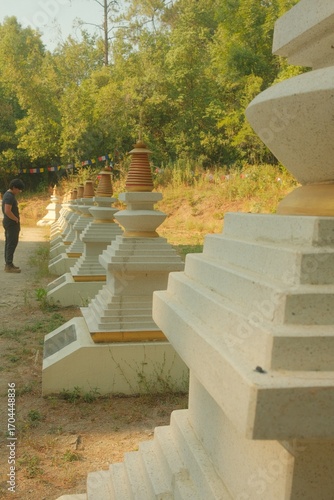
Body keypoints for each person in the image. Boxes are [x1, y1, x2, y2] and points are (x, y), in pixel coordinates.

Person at [2, 179, 25, 273]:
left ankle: (9, 263)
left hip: (9, 222)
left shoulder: (8, 195)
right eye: (18, 189)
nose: (19, 191)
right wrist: (15, 218)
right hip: (11, 223)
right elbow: (7, 210)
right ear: (14, 187)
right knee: (11, 243)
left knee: (10, 243)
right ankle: (8, 265)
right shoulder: (9, 196)